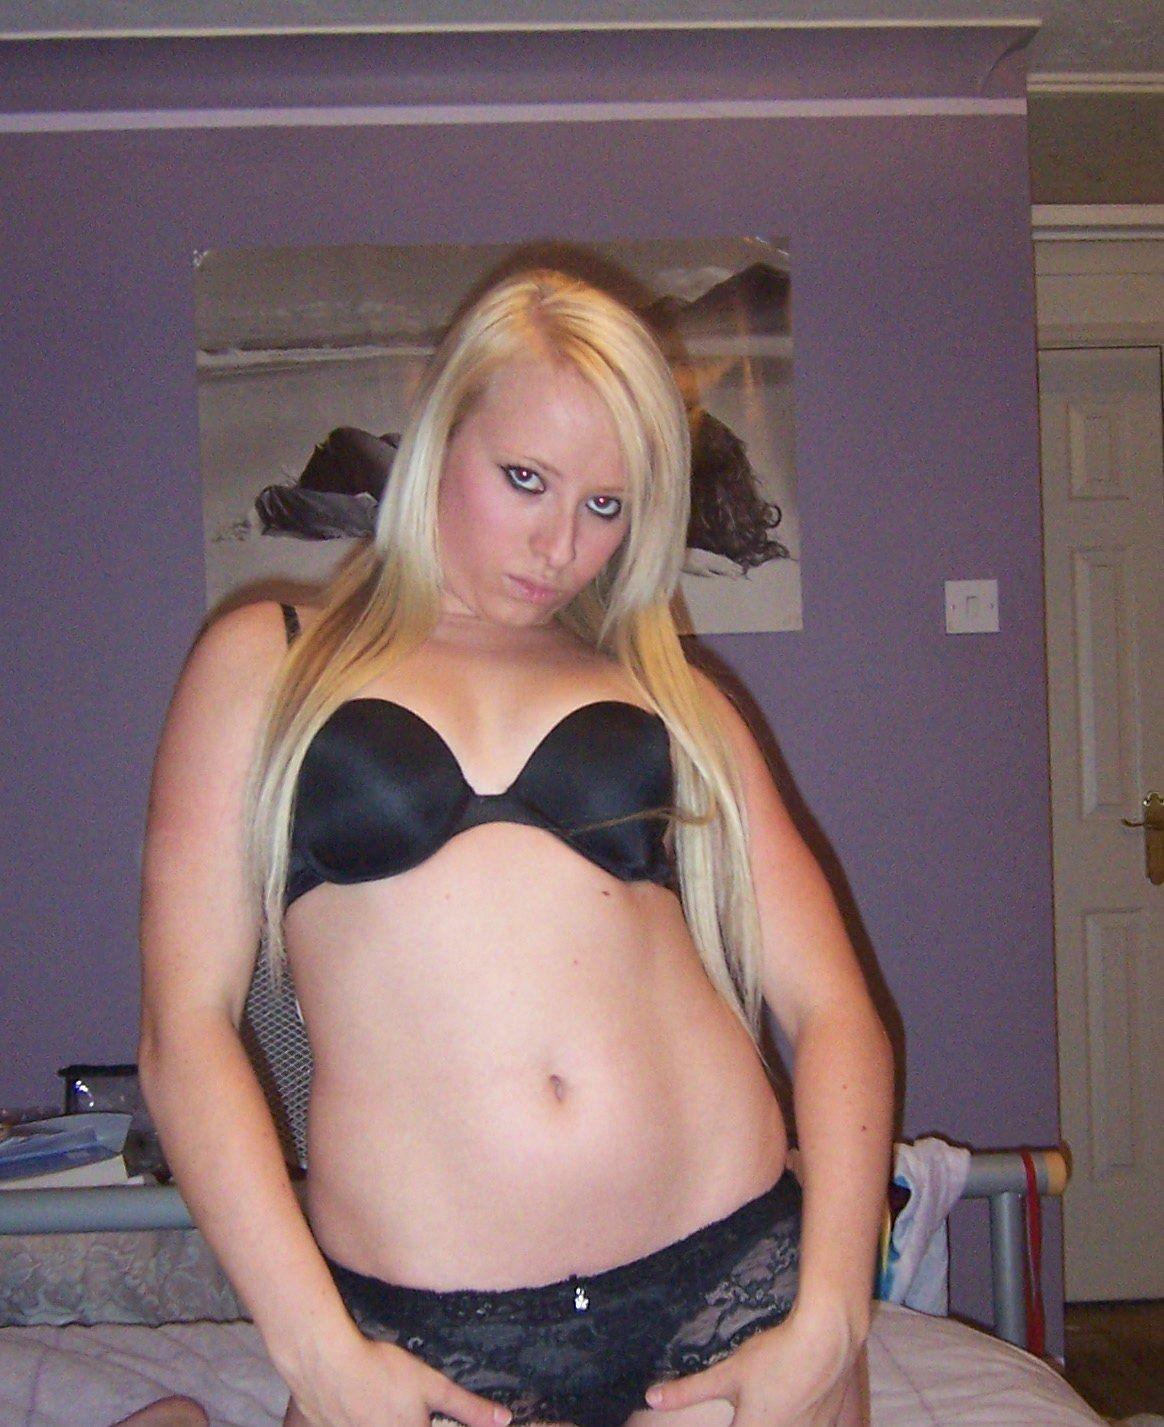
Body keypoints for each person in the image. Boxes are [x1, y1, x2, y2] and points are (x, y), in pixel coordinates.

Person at [138, 267, 893, 1427]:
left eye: (608, 504)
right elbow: (183, 1027)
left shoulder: (671, 691)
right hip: (429, 1331)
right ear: (442, 429)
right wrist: (318, 1353)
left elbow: (834, 1005)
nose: (559, 545)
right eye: (525, 478)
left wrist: (833, 1313)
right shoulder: (269, 659)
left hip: (728, 1282)